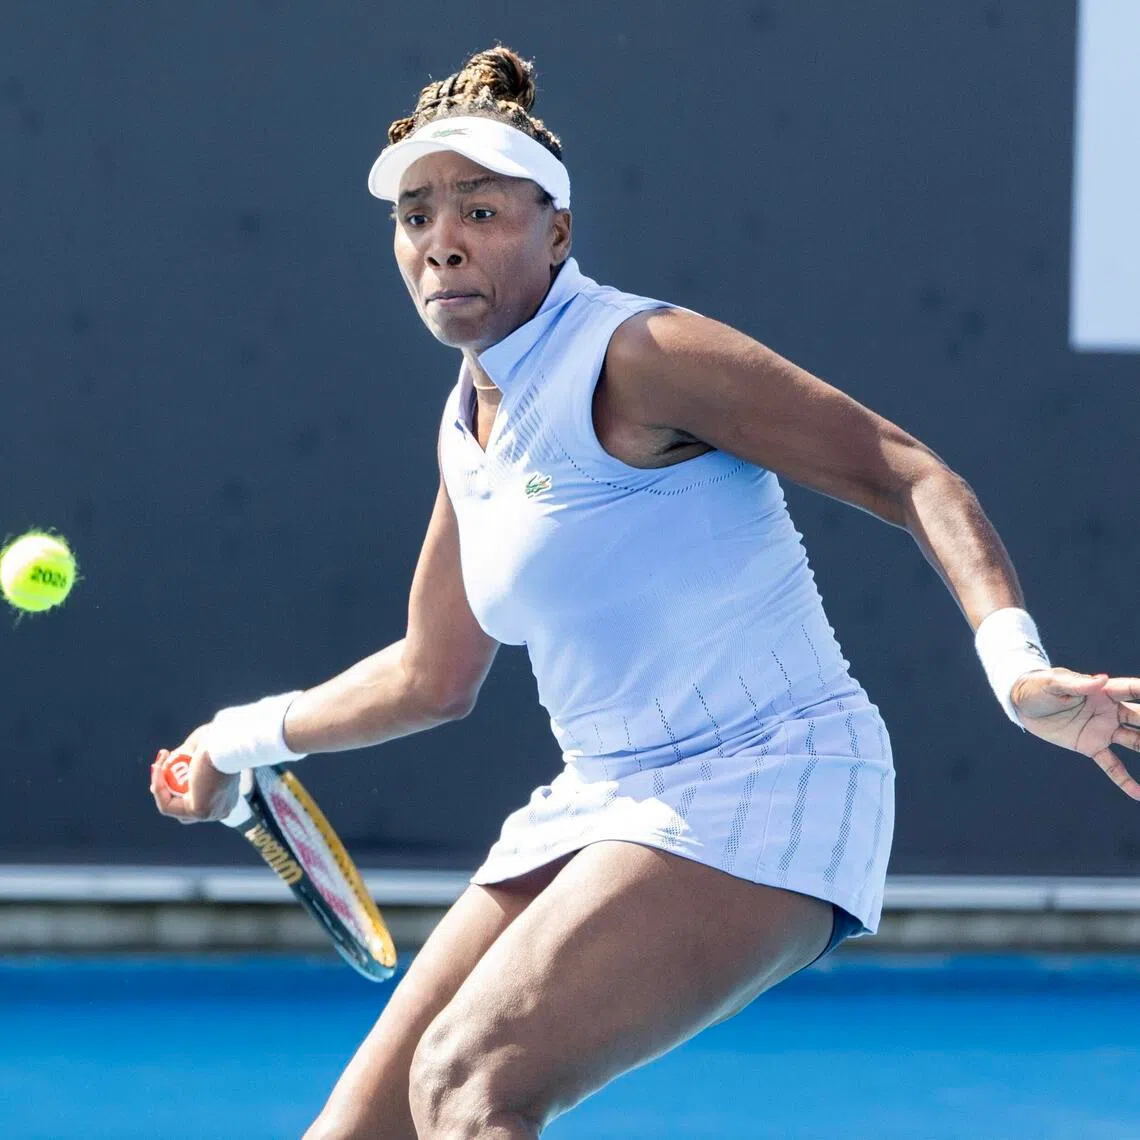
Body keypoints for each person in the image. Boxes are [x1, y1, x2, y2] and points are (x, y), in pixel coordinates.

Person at [151, 45, 1140, 1140]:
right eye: (417, 215)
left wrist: (1013, 666)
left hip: (772, 775)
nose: (441, 240)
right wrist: (238, 741)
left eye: (481, 210)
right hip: (601, 797)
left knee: (471, 1088)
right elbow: (430, 677)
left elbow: (904, 469)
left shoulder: (640, 353)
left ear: (557, 231)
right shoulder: (470, 420)